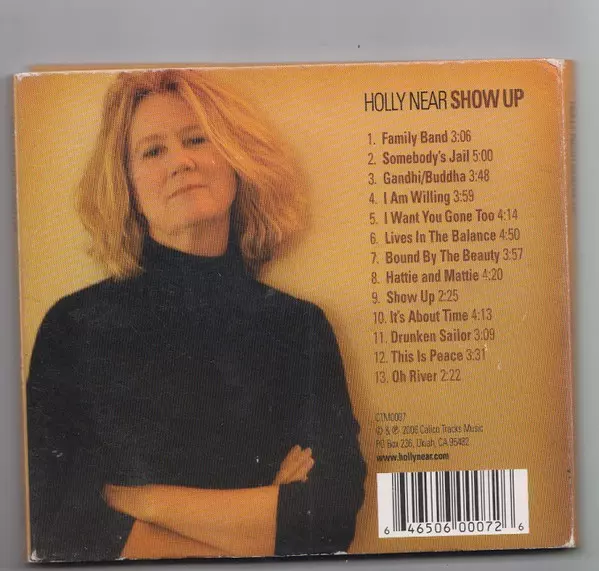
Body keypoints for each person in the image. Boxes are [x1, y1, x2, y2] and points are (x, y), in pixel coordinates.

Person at [26, 69, 366, 562]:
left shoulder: (299, 327)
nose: (180, 162)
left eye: (196, 139)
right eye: (152, 151)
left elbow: (329, 520)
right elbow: (56, 525)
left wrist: (140, 500)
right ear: (127, 185)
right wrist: (258, 522)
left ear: (236, 161)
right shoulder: (74, 327)